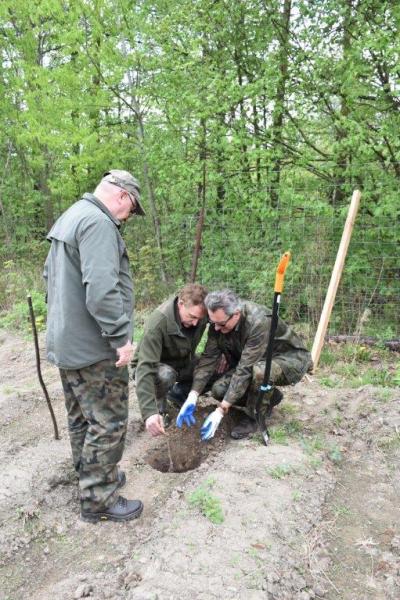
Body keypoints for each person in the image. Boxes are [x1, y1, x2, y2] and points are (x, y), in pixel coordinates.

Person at [43, 169, 146, 523]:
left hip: (66, 340)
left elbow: (49, 279)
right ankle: (99, 500)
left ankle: (91, 477)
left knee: (81, 417)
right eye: (132, 209)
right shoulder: (99, 224)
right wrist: (121, 338)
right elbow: (102, 291)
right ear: (122, 196)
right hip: (94, 345)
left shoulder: (71, 216)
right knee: (109, 421)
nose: (128, 217)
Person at [176, 289, 312, 440]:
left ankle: (255, 416)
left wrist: (221, 411)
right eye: (212, 323)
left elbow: (245, 369)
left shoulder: (258, 321)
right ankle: (269, 396)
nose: (215, 329)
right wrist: (193, 395)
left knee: (259, 372)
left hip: (287, 358)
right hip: (254, 358)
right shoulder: (218, 321)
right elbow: (208, 359)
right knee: (219, 390)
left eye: (221, 324)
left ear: (236, 314)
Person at [132, 283, 208, 436]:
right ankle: (159, 408)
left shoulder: (200, 315)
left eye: (199, 319)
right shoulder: (159, 322)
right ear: (181, 304)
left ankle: (180, 394)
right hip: (156, 368)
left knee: (213, 365)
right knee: (165, 375)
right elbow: (145, 367)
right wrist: (149, 413)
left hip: (183, 363)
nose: (195, 323)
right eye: (192, 317)